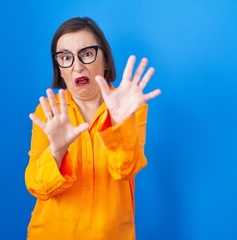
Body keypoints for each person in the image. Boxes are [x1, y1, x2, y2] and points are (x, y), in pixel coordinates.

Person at [24, 17, 161, 240]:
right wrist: (57, 152)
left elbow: (125, 170)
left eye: (86, 54)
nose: (77, 66)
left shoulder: (130, 108)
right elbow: (37, 186)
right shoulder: (48, 112)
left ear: (105, 59)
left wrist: (119, 125)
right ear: (59, 67)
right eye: (66, 58)